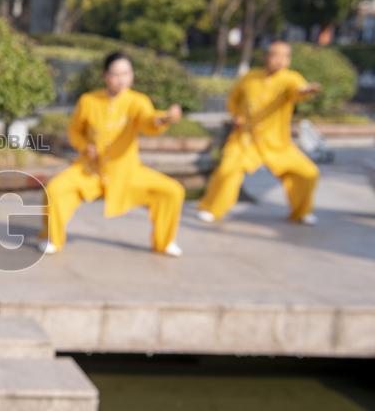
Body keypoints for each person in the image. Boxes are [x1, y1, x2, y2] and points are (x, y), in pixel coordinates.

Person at [39, 52, 185, 256]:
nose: (121, 79)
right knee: (55, 190)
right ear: (105, 76)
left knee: (172, 191)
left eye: (126, 73)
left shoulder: (137, 101)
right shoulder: (88, 101)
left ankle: (165, 242)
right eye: (115, 74)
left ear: (132, 76)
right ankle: (52, 238)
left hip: (126, 171)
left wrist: (164, 119)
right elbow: (74, 130)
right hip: (90, 168)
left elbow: (148, 120)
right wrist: (83, 146)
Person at [197, 41, 322, 224]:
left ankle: (302, 211)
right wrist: (237, 115)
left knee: (307, 172)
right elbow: (233, 100)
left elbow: (298, 90)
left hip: (277, 143)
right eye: (275, 55)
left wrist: (307, 90)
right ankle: (212, 209)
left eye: (285, 56)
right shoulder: (250, 78)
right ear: (266, 56)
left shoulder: (290, 78)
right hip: (245, 139)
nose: (280, 60)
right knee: (227, 171)